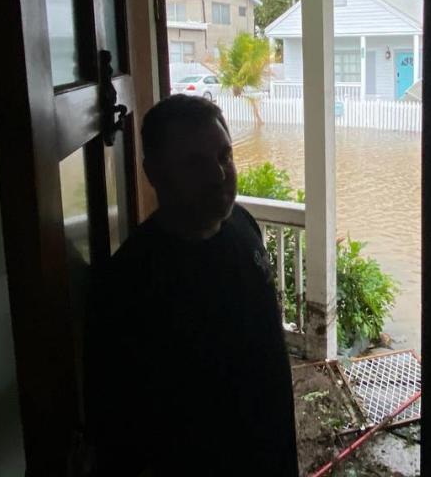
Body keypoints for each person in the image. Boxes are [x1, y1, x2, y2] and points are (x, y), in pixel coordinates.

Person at [87, 95, 298, 477]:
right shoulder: (128, 285)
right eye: (195, 163)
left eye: (224, 156)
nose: (219, 175)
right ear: (155, 174)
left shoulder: (243, 227)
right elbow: (117, 429)